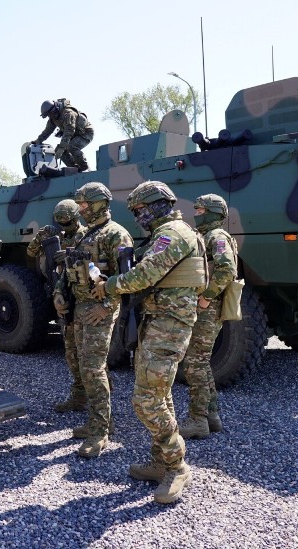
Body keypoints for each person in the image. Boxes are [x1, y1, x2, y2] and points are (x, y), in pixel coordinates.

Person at [90, 181, 206, 504]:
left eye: (140, 211)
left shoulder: (173, 234)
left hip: (170, 326)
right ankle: (160, 461)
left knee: (145, 400)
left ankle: (177, 464)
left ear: (155, 206)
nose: (138, 217)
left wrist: (109, 285)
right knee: (160, 393)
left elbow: (143, 276)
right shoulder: (169, 234)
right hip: (160, 323)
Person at [55, 182, 132, 458]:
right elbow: (68, 269)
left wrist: (108, 306)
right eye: (80, 205)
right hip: (79, 308)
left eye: (86, 204)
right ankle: (97, 420)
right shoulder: (83, 235)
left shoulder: (117, 236)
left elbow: (125, 278)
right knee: (84, 365)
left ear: (101, 203)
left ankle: (100, 431)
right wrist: (59, 293)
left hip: (99, 310)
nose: (82, 209)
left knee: (93, 368)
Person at [178, 194, 238, 439]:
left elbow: (226, 269)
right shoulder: (206, 236)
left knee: (194, 365)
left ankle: (197, 420)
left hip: (206, 310)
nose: (196, 213)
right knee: (200, 364)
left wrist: (206, 298)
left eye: (201, 209)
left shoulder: (217, 236)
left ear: (214, 213)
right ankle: (211, 416)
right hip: (204, 309)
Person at [27, 199, 88, 413]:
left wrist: (71, 253)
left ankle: (99, 405)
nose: (65, 227)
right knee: (71, 354)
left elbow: (97, 263)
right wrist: (41, 237)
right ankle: (79, 397)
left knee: (89, 356)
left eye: (68, 223)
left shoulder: (86, 235)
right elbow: (31, 252)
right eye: (61, 223)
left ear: (77, 218)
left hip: (83, 301)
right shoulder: (55, 236)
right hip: (62, 298)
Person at [32, 99, 94, 172]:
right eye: (48, 115)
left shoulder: (68, 114)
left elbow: (69, 132)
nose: (50, 116)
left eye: (50, 114)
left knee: (71, 147)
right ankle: (75, 170)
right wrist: (38, 140)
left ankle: (84, 168)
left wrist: (62, 148)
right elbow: (47, 131)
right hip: (74, 135)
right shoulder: (53, 118)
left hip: (86, 133)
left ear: (55, 109)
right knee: (60, 151)